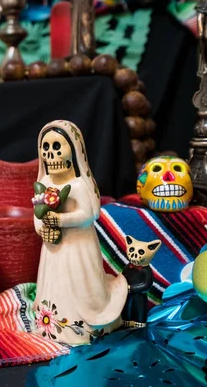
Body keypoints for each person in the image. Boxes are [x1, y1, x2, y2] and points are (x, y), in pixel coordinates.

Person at [33, 120, 127, 345]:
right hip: (53, 251)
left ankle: (84, 327)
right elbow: (37, 217)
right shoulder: (43, 182)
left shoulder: (78, 185)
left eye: (57, 147)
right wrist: (42, 228)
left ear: (73, 151)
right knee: (55, 284)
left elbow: (89, 214)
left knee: (81, 287)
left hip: (78, 248)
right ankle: (54, 327)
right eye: (45, 148)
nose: (51, 154)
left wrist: (60, 220)